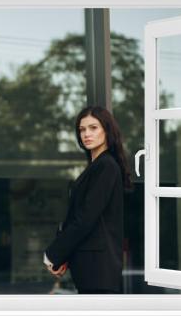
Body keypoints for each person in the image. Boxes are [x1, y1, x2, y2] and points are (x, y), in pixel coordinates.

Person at [43, 106, 132, 294]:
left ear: (107, 130)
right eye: (82, 129)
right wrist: (64, 255)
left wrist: (54, 254)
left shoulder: (106, 166)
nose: (86, 134)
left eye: (93, 128)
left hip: (99, 270)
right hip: (92, 269)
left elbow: (85, 218)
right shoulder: (98, 166)